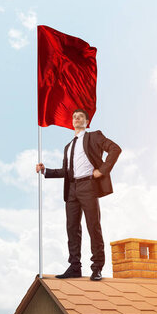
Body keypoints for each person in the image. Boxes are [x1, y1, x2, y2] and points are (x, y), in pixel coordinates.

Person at [35, 108, 121, 281]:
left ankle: (97, 268)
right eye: (74, 117)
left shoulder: (94, 136)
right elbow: (66, 171)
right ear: (71, 122)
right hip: (72, 189)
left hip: (89, 185)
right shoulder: (68, 147)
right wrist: (46, 171)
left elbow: (115, 149)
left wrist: (102, 171)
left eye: (80, 116)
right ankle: (75, 267)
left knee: (93, 227)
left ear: (86, 121)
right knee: (72, 229)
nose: (77, 119)